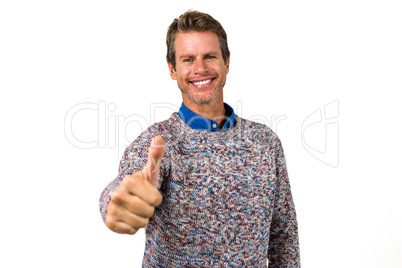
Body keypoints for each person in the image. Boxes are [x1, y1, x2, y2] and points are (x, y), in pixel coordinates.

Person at [99, 10, 300, 267]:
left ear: (227, 63)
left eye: (210, 56)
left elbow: (284, 238)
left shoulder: (266, 142)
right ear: (173, 69)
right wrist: (118, 202)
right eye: (188, 59)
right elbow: (128, 182)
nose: (200, 68)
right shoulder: (158, 143)